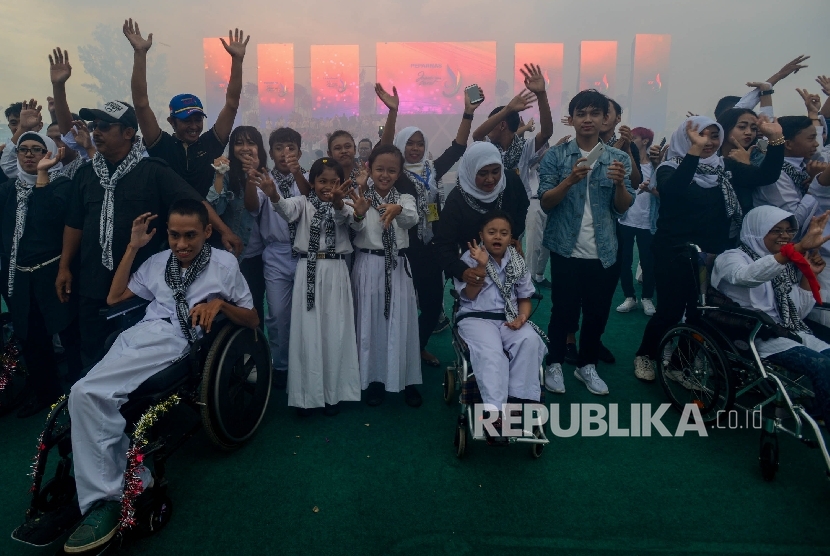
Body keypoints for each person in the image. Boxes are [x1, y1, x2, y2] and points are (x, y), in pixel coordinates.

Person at [65, 200, 257, 553]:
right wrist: (133, 246)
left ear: (207, 232)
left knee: (87, 393)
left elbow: (252, 319)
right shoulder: (157, 262)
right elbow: (115, 297)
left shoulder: (223, 264)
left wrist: (221, 306)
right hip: (139, 334)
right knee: (82, 393)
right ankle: (110, 469)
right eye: (174, 235)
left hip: (177, 341)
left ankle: (115, 491)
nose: (182, 244)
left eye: (190, 236)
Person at [57, 101, 227, 367]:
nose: (96, 132)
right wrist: (65, 266)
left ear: (128, 133)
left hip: (138, 286)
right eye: (94, 126)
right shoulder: (86, 174)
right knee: (90, 351)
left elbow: (194, 203)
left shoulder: (153, 171)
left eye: (104, 126)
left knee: (136, 356)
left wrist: (225, 231)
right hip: (90, 280)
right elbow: (74, 224)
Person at [632, 115, 785, 382]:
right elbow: (673, 192)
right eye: (702, 135)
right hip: (674, 252)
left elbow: (766, 175)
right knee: (669, 311)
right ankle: (645, 354)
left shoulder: (725, 168)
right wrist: (694, 151)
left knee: (702, 315)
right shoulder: (669, 168)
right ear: (686, 137)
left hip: (714, 254)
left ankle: (680, 365)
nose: (709, 142)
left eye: (715, 136)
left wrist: (776, 140)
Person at [537, 89, 634, 396]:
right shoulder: (557, 155)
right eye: (582, 113)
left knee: (597, 312)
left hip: (604, 251)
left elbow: (622, 207)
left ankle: (586, 365)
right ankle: (553, 362)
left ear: (606, 118)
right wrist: (569, 180)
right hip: (566, 248)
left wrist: (619, 183)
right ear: (573, 119)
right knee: (562, 310)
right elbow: (546, 203)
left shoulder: (617, 158)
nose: (588, 119)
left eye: (595, 113)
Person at [375, 82, 479, 367]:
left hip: (432, 247)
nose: (415, 148)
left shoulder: (432, 169)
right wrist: (393, 112)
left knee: (432, 305)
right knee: (401, 305)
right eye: (410, 143)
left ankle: (417, 347)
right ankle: (396, 351)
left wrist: (467, 113)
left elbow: (457, 148)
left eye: (420, 143)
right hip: (402, 249)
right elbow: (383, 147)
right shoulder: (394, 172)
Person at [254, 157, 361, 417]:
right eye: (322, 181)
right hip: (307, 271)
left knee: (335, 329)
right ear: (311, 182)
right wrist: (273, 196)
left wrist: (338, 202)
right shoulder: (302, 203)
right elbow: (286, 210)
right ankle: (305, 396)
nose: (327, 186)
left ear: (341, 183)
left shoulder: (345, 204)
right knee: (307, 331)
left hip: (336, 271)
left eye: (334, 181)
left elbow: (351, 221)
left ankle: (333, 394)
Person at [711, 205, 830, 434]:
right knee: (822, 365)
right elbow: (746, 277)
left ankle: (819, 413)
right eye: (776, 230)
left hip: (788, 331)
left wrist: (809, 277)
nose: (784, 236)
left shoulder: (782, 264)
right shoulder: (732, 257)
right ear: (757, 230)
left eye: (789, 230)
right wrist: (792, 250)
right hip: (755, 335)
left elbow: (796, 314)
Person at [123, 20, 248, 216]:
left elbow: (232, 104)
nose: (194, 126)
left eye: (198, 120)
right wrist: (140, 54)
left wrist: (237, 61)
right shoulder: (161, 145)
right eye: (186, 120)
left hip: (208, 228)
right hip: (169, 233)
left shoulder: (210, 144)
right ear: (171, 122)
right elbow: (141, 104)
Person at [0, 132, 82, 417]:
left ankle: (79, 394)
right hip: (19, 278)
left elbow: (50, 217)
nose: (30, 155)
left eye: (37, 149)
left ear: (49, 153)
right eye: (24, 149)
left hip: (56, 272)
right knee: (32, 338)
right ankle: (46, 394)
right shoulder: (10, 189)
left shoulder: (62, 184)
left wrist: (43, 176)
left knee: (70, 335)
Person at [453, 211, 547, 440]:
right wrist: (482, 267)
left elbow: (524, 298)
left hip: (508, 318)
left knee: (530, 340)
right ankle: (493, 415)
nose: (497, 237)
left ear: (511, 237)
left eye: (503, 233)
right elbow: (469, 295)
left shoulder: (516, 260)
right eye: (492, 232)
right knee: (493, 353)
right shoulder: (469, 258)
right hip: (476, 317)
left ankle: (514, 404)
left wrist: (522, 319)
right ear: (481, 235)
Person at [348, 145, 422, 407]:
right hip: (368, 265)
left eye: (392, 170)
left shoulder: (404, 198)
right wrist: (358, 210)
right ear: (370, 169)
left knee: (402, 323)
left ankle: (408, 380)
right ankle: (374, 380)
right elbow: (352, 226)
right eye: (379, 169)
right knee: (371, 324)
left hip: (397, 267)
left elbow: (412, 218)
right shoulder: (360, 196)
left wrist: (397, 210)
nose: (385, 175)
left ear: (399, 172)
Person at [472, 65, 553, 288]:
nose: (488, 128)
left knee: (510, 265)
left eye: (493, 121)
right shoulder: (487, 148)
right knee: (484, 264)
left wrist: (541, 95)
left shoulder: (525, 149)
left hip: (515, 214)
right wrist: (508, 108)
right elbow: (477, 134)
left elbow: (546, 133)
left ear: (502, 124)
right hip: (486, 209)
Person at [251, 127, 309, 388]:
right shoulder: (264, 180)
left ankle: (306, 365)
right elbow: (253, 207)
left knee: (307, 313)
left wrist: (298, 174)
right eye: (279, 148)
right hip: (275, 253)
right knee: (277, 314)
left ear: (299, 150)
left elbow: (314, 199)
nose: (285, 153)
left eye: (291, 148)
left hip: (307, 252)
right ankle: (282, 365)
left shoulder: (308, 177)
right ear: (270, 153)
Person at [433, 142, 529, 290]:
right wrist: (462, 271)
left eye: (496, 171)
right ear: (471, 171)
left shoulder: (510, 182)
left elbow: (522, 207)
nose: (490, 179)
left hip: (506, 260)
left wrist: (512, 236)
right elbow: (443, 244)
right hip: (473, 265)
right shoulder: (456, 201)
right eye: (483, 173)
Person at [207, 126, 269, 327]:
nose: (245, 148)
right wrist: (218, 175)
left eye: (251, 143)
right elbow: (215, 208)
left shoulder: (266, 174)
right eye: (239, 143)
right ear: (232, 148)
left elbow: (254, 207)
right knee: (229, 310)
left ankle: (256, 354)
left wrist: (252, 175)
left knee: (254, 307)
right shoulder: (225, 174)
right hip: (231, 255)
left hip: (258, 256)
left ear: (259, 147)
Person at [753, 114, 826, 231]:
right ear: (788, 144)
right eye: (811, 139)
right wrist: (816, 185)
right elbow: (794, 221)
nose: (816, 144)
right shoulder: (777, 174)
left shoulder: (804, 164)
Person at [617, 126, 658, 317]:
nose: (631, 140)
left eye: (634, 137)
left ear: (645, 141)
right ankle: (629, 297)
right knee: (624, 261)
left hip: (647, 221)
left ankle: (647, 298)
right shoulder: (626, 162)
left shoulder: (655, 165)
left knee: (648, 261)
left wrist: (651, 189)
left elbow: (663, 192)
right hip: (625, 219)